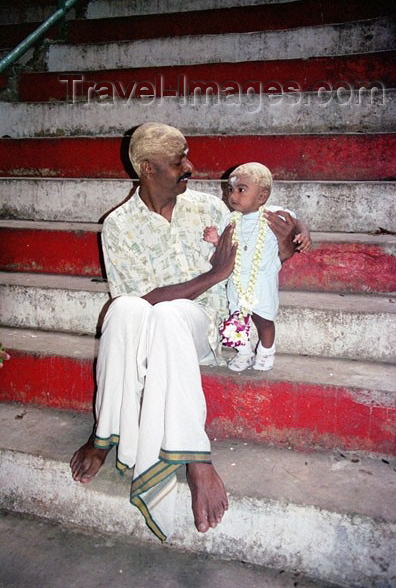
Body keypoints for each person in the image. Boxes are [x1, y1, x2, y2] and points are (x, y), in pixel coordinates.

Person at [70, 124, 297, 541]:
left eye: (187, 156)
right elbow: (143, 300)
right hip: (149, 333)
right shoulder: (119, 225)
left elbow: (259, 250)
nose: (190, 167)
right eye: (179, 162)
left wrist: (291, 241)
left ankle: (195, 457)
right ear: (148, 168)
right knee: (123, 310)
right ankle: (105, 434)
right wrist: (214, 274)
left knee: (172, 314)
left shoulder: (211, 209)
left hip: (198, 330)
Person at [204, 162, 311, 373]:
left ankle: (265, 351)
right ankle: (244, 353)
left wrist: (304, 234)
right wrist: (215, 239)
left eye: (241, 189)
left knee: (264, 320)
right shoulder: (229, 218)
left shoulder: (272, 214)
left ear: (262, 197)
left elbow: (296, 221)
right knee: (236, 320)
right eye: (230, 189)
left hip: (261, 281)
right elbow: (227, 245)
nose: (233, 195)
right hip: (237, 282)